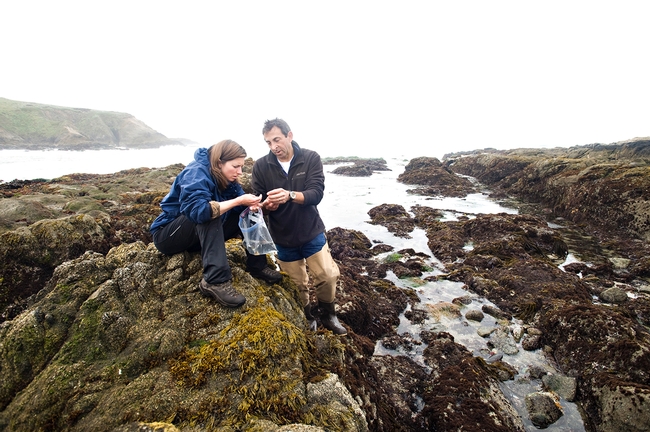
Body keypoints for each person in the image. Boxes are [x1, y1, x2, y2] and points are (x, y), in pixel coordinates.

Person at [150, 139, 282, 308]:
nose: (240, 172)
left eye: (242, 167)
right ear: (220, 163)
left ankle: (257, 265)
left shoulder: (227, 178)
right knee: (209, 213)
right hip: (167, 236)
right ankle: (214, 280)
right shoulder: (196, 172)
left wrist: (259, 205)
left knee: (248, 212)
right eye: (235, 166)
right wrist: (239, 200)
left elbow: (238, 206)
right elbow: (199, 211)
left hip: (195, 237)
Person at [252, 118, 347, 335]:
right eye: (268, 142)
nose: (273, 146)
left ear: (289, 135)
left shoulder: (310, 157)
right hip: (282, 236)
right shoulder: (261, 166)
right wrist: (266, 206)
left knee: (326, 276)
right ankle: (307, 317)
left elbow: (316, 193)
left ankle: (328, 314)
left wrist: (290, 195)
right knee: (297, 283)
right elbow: (257, 204)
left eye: (277, 139)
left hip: (311, 230)